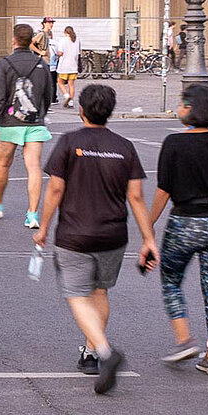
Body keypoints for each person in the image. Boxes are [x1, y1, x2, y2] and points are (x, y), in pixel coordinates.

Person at [33, 82, 157, 394]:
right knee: (100, 291)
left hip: (74, 233)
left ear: (81, 109)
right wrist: (149, 239)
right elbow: (137, 198)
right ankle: (89, 352)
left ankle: (104, 351)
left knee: (76, 295)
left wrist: (43, 226)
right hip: (113, 234)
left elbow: (56, 190)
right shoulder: (124, 146)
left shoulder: (69, 141)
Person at [147, 84, 208, 374]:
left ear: (191, 108)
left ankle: (184, 339)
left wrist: (147, 224)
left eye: (181, 103)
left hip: (185, 223)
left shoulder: (174, 143)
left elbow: (163, 191)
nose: (178, 108)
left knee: (171, 280)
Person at [0, 22, 54, 230]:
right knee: (33, 167)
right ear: (31, 40)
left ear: (14, 40)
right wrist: (41, 112)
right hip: (35, 121)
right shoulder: (42, 65)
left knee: (3, 164)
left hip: (10, 121)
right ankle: (32, 214)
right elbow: (49, 96)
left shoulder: (5, 63)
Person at [57, 25, 82, 108]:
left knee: (60, 82)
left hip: (64, 66)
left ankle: (66, 95)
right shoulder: (76, 40)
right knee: (71, 84)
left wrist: (57, 55)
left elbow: (60, 53)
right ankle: (71, 101)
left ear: (65, 32)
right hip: (74, 66)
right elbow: (78, 52)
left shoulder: (63, 40)